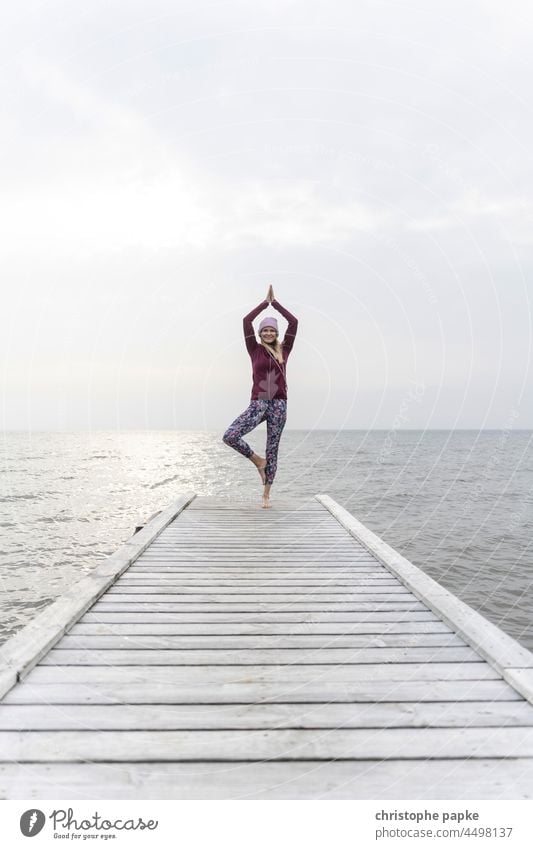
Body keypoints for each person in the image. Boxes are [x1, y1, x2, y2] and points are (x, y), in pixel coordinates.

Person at [222, 285, 298, 508]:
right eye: (264, 330)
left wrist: (277, 305)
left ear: (276, 333)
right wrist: (265, 304)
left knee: (272, 446)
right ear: (260, 333)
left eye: (271, 330)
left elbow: (294, 323)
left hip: (279, 403)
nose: (268, 333)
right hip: (258, 402)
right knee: (230, 435)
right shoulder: (254, 349)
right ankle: (258, 461)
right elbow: (246, 321)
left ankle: (266, 495)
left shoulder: (284, 349)